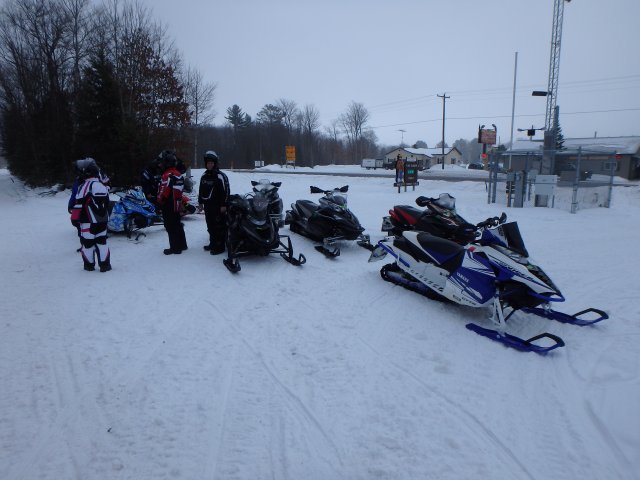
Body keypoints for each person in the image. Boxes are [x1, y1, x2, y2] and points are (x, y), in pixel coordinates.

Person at [70, 159, 112, 272]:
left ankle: (89, 266)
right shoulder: (101, 185)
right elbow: (107, 202)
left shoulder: (84, 186)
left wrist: (74, 219)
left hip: (87, 221)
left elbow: (78, 204)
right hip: (102, 220)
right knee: (102, 242)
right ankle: (105, 265)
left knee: (87, 244)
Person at [198, 150, 230, 255]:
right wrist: (200, 203)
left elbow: (226, 191)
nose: (210, 164)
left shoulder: (220, 176)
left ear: (215, 163)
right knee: (210, 226)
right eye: (208, 163)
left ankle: (220, 247)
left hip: (218, 206)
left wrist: (224, 205)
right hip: (208, 206)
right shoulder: (204, 175)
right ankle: (212, 243)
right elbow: (201, 189)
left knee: (219, 226)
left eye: (212, 163)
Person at [157, 150, 187, 255]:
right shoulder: (178, 174)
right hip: (177, 203)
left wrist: (160, 201)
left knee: (170, 226)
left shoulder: (166, 175)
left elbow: (164, 191)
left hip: (169, 203)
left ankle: (175, 248)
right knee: (177, 224)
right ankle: (182, 245)